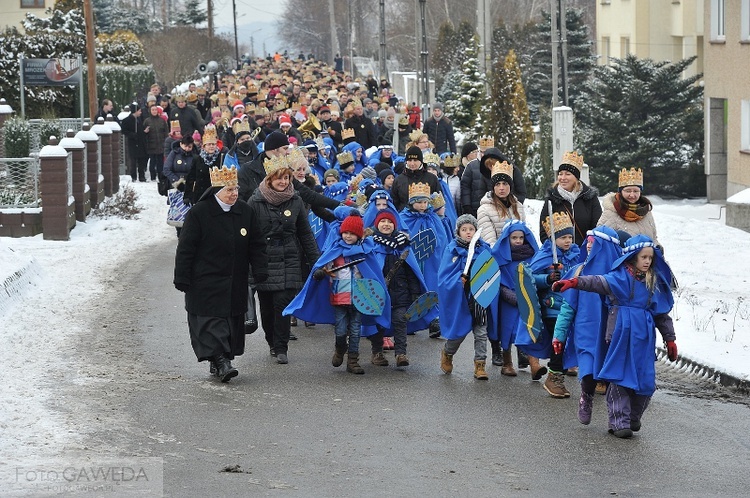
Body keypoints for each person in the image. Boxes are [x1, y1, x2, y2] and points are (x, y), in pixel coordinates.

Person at [552, 235, 678, 438]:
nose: (647, 261)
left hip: (644, 341)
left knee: (646, 382)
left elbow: (661, 315)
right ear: (632, 257)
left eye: (650, 258)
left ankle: (633, 416)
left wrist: (670, 338)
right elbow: (597, 282)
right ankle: (619, 421)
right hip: (619, 337)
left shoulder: (653, 282)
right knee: (620, 377)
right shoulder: (620, 277)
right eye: (643, 257)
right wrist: (574, 282)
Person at [173, 165, 268, 382]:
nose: (234, 193)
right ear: (217, 191)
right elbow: (186, 247)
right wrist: (182, 276)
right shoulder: (200, 213)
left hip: (234, 279)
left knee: (230, 322)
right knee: (211, 322)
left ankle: (221, 359)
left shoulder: (245, 212)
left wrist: (260, 269)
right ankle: (221, 361)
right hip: (205, 280)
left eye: (236, 189)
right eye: (229, 190)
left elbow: (257, 244)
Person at [285, 210, 391, 374]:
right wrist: (320, 272)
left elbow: (372, 273)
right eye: (345, 233)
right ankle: (340, 348)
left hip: (359, 298)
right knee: (341, 329)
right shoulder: (335, 250)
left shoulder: (365, 252)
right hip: (339, 297)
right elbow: (324, 266)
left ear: (359, 235)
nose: (348, 236)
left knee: (356, 330)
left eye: (352, 233)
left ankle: (353, 361)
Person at [246, 153, 321, 364]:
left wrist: (316, 262)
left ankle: (281, 347)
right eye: (279, 178)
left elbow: (305, 234)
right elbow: (249, 235)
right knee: (267, 308)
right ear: (269, 179)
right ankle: (271, 341)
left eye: (286, 178)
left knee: (283, 305)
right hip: (264, 261)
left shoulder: (295, 200)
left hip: (289, 260)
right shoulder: (255, 201)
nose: (283, 182)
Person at [552, 226, 622, 425]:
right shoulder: (578, 271)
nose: (588, 246)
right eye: (588, 242)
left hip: (611, 333)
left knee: (613, 377)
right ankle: (586, 397)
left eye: (594, 243)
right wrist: (559, 335)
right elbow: (567, 307)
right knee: (588, 372)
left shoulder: (619, 275)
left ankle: (618, 416)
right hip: (586, 332)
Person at [515, 212, 580, 398]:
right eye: (562, 238)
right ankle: (554, 377)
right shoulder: (544, 256)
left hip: (570, 308)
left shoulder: (575, 256)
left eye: (569, 237)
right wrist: (548, 278)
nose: (567, 241)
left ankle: (558, 374)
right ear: (553, 239)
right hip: (551, 309)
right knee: (557, 343)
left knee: (566, 342)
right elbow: (529, 279)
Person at [369, 210, 436, 367]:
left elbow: (412, 273)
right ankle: (377, 353)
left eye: (390, 222)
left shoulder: (403, 247)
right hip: (379, 295)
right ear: (377, 225)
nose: (386, 224)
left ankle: (401, 353)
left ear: (395, 225)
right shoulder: (371, 246)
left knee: (400, 322)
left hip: (401, 294)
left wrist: (415, 295)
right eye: (383, 221)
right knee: (378, 324)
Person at [438, 214, 494, 380]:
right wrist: (457, 281)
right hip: (461, 299)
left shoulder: (484, 249)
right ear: (458, 232)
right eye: (464, 229)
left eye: (471, 229)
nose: (468, 232)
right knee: (460, 333)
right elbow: (444, 276)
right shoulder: (452, 250)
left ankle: (480, 365)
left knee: (481, 332)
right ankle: (448, 353)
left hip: (479, 297)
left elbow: (490, 272)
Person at [488, 220, 539, 374]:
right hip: (507, 301)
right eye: (514, 237)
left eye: (521, 237)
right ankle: (507, 362)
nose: (518, 241)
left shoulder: (532, 256)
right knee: (507, 331)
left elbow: (535, 275)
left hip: (526, 299)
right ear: (507, 238)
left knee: (528, 329)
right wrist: (508, 294)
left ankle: (534, 363)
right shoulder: (500, 257)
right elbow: (496, 280)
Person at [539, 151, 602, 247]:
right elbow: (544, 231)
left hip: (585, 253)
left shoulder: (590, 198)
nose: (562, 178)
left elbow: (598, 227)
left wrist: (589, 247)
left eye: (567, 174)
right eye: (560, 174)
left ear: (576, 177)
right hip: (561, 256)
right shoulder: (552, 198)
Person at [597, 167, 660, 247]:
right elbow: (600, 240)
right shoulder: (611, 212)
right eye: (628, 191)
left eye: (636, 191)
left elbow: (654, 238)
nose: (632, 195)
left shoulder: (646, 211)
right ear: (621, 192)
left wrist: (658, 248)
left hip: (645, 258)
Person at [476, 154, 525, 246]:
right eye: (498, 184)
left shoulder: (518, 206)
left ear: (510, 186)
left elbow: (524, 235)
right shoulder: (484, 210)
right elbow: (490, 241)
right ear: (493, 187)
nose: (501, 188)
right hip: (499, 255)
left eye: (505, 184)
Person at [184, 124, 224, 205]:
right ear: (204, 146)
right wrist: (187, 196)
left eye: (213, 144)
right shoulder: (197, 159)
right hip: (200, 195)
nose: (211, 147)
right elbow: (190, 178)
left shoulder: (221, 158)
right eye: (209, 144)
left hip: (216, 195)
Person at [391, 146, 440, 211]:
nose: (412, 163)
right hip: (404, 219)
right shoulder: (398, 180)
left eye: (415, 160)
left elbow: (439, 203)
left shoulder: (432, 178)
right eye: (410, 160)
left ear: (421, 161)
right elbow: (394, 203)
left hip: (427, 218)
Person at [120, 103, 148, 182]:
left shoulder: (139, 119)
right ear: (135, 111)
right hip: (133, 143)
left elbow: (140, 130)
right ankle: (133, 176)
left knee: (141, 161)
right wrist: (132, 135)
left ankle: (142, 176)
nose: (140, 112)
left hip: (141, 142)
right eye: (139, 111)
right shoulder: (127, 120)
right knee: (133, 161)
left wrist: (144, 132)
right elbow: (124, 131)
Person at [143, 103, 169, 182]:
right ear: (150, 111)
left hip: (161, 145)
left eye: (155, 110)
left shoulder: (162, 120)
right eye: (152, 110)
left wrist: (165, 142)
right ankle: (153, 177)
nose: (154, 111)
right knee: (152, 162)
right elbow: (144, 133)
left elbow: (166, 131)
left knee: (160, 163)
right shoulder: (147, 121)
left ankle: (161, 177)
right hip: (151, 145)